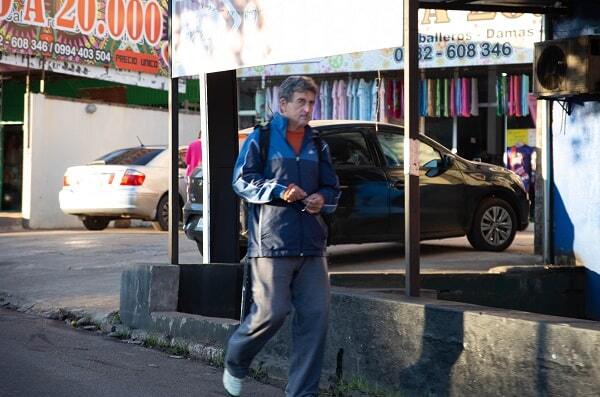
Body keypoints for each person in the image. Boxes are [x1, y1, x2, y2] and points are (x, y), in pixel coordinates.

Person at [223, 76, 340, 397]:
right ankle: (236, 358)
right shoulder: (261, 138)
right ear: (283, 104)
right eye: (301, 102)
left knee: (315, 319)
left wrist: (322, 199)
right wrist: (278, 191)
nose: (307, 109)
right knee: (270, 313)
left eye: (311, 103)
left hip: (313, 246)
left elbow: (333, 188)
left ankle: (302, 393)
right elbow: (241, 180)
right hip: (272, 243)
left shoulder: (319, 143)